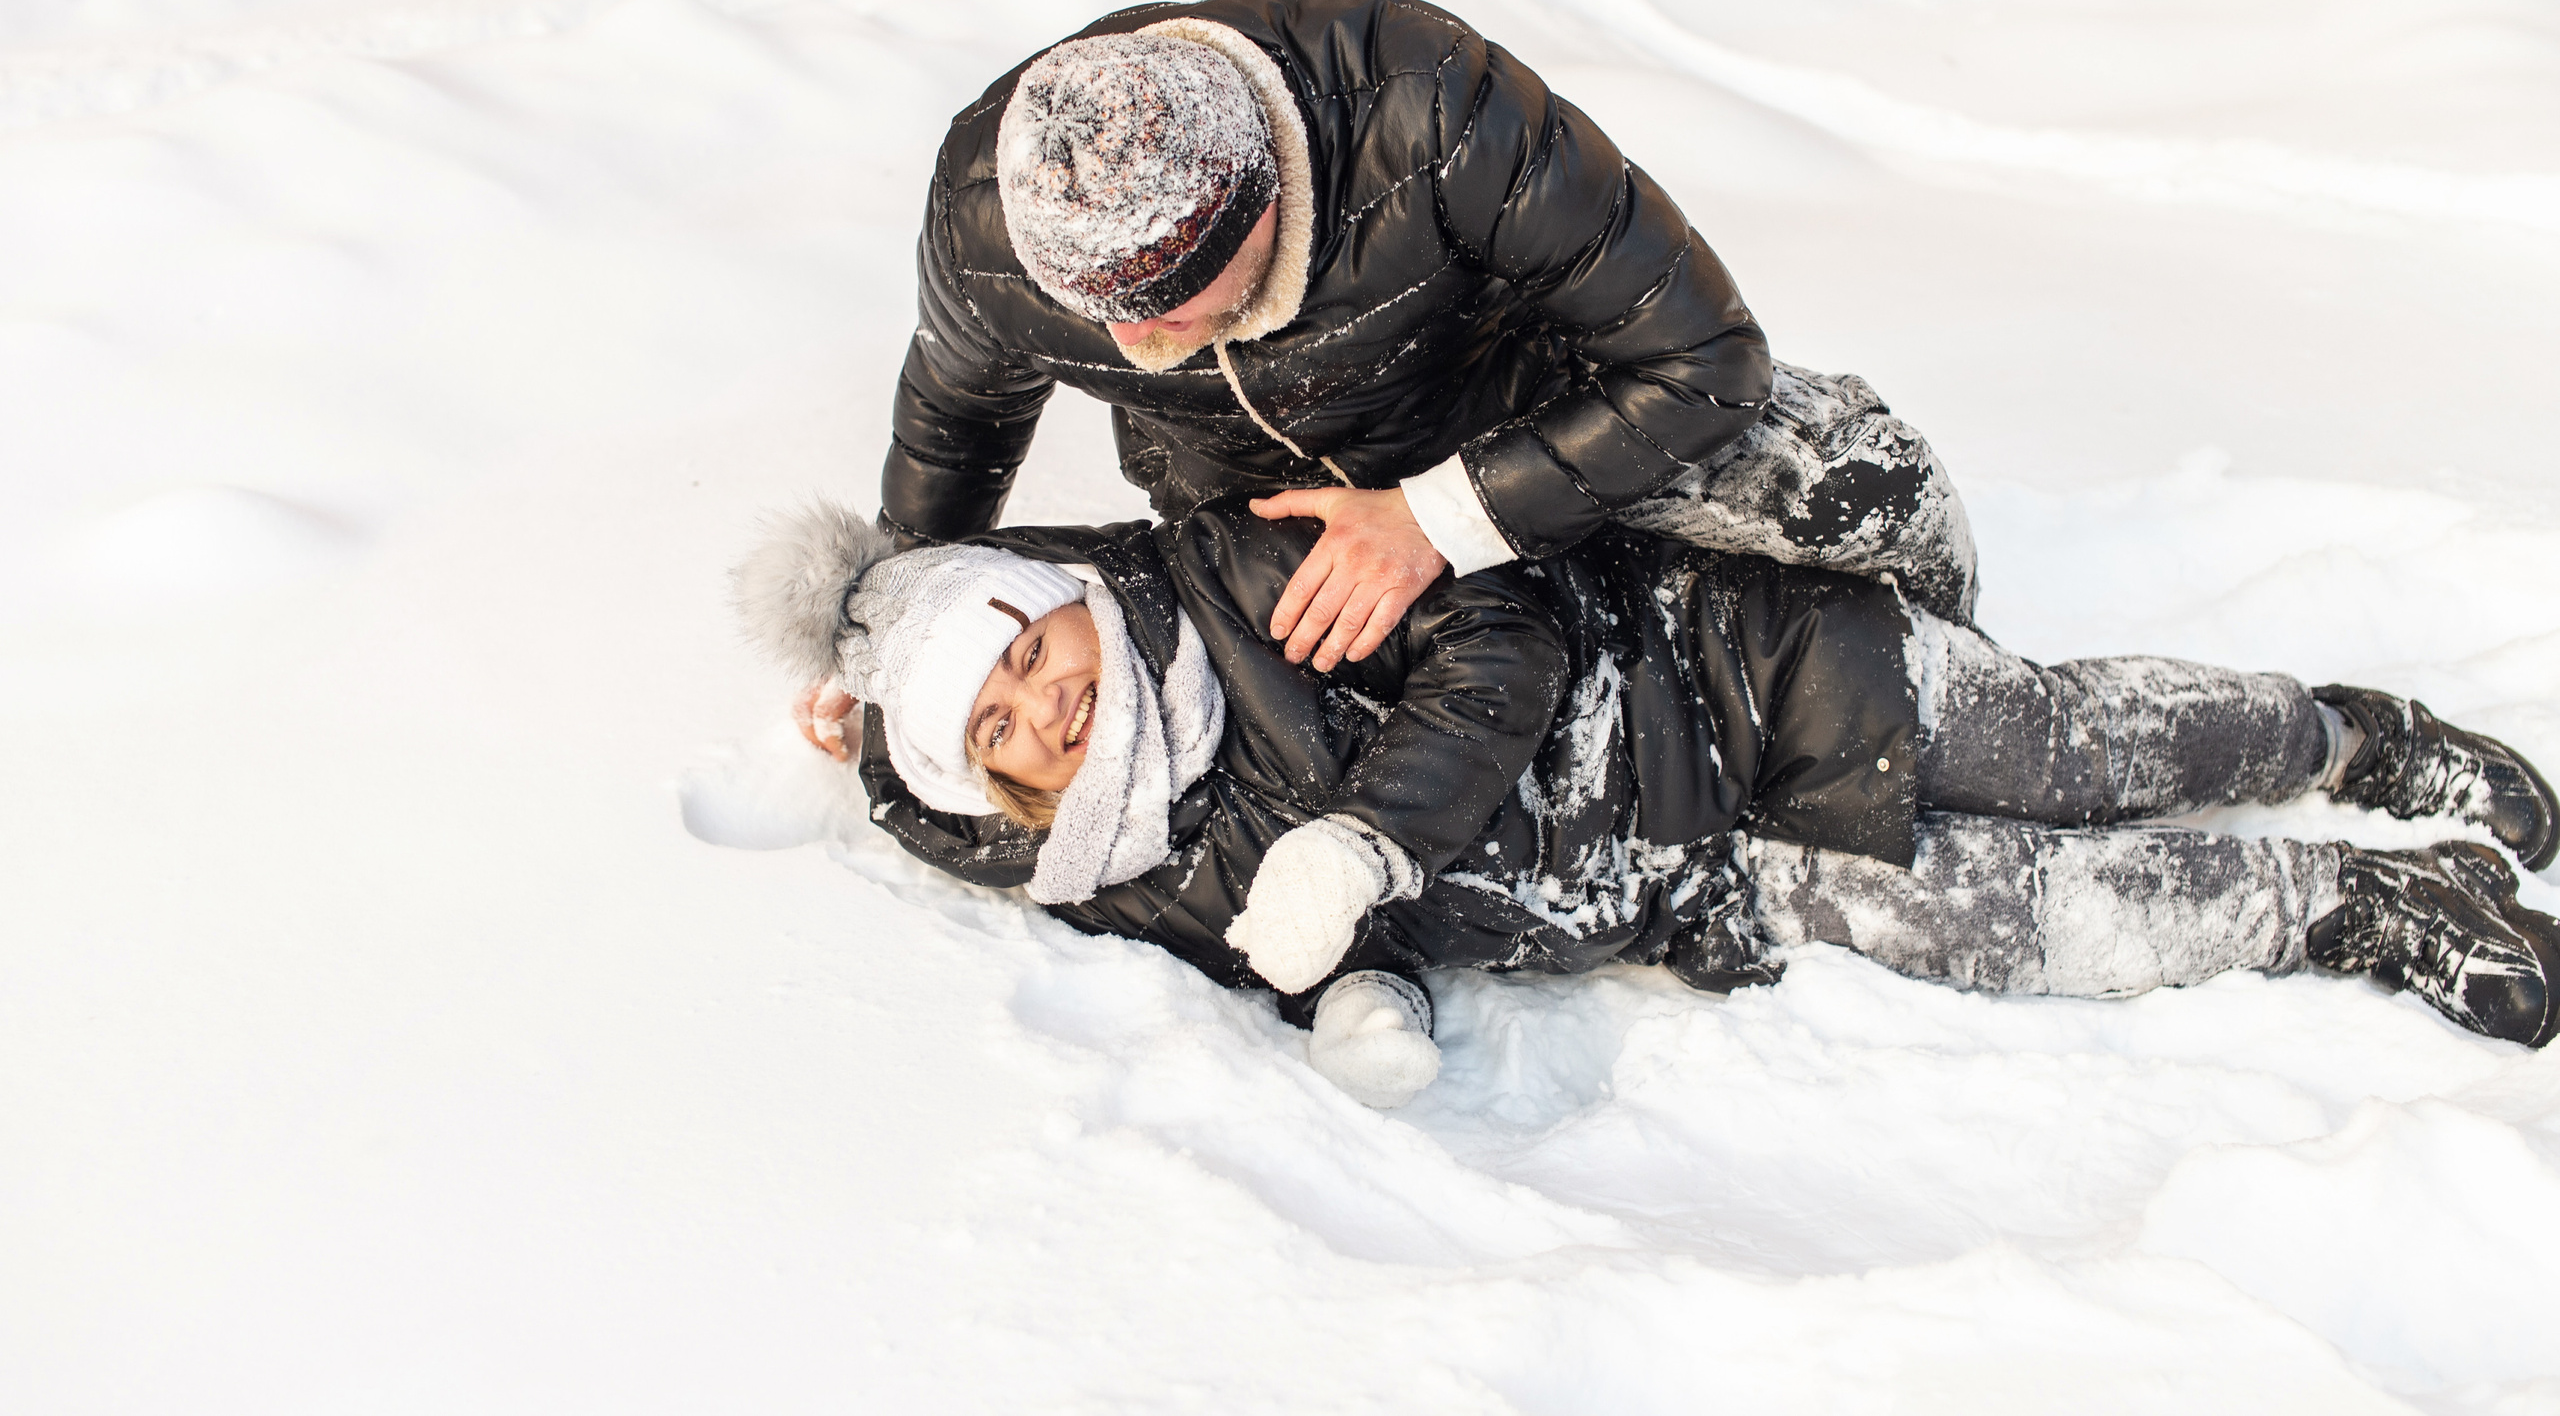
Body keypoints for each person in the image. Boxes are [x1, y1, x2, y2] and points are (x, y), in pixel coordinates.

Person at [733, 497, 2560, 1109]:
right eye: (1002, 728)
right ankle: (2359, 910)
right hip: (1687, 889)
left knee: (2063, 750)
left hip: (1708, 665)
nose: (1050, 700)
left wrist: (1371, 837)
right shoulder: (1109, 865)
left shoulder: (1224, 568)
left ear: (1047, 589)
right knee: (2013, 923)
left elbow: (1501, 629)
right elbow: (1284, 948)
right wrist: (1361, 993)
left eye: (1026, 647)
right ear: (995, 781)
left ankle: (2349, 745)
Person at [841, 0, 1977, 766]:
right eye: (1103, 311)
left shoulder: (1434, 107)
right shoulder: (986, 218)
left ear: (1262, 199)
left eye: (1175, 298)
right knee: (1503, 721)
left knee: (1860, 483)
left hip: (1525, 403)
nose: (1138, 342)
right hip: (1261, 502)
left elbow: (1706, 360)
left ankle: (1944, 657)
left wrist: (1438, 516)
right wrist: (884, 631)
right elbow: (955, 417)